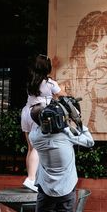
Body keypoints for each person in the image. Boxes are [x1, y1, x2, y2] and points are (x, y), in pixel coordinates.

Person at [28, 103, 94, 212]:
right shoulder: (67, 135)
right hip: (66, 189)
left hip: (45, 189)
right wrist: (77, 120)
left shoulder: (34, 137)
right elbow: (89, 142)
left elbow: (38, 126)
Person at [21, 54, 66, 192]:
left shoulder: (31, 81)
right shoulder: (50, 83)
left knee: (30, 147)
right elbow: (62, 95)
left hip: (27, 113)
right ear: (47, 68)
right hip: (38, 115)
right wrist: (63, 87)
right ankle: (31, 179)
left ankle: (32, 178)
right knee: (37, 148)